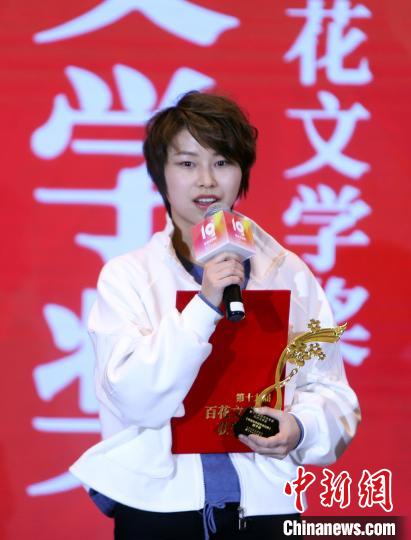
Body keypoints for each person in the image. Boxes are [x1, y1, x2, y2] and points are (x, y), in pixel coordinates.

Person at [70, 91, 360, 539]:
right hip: (159, 510)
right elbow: (133, 397)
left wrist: (300, 427)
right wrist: (204, 305)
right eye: (187, 163)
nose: (206, 180)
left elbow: (333, 393)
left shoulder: (288, 273)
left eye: (222, 162)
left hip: (267, 507)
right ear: (161, 175)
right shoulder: (128, 276)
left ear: (242, 172)